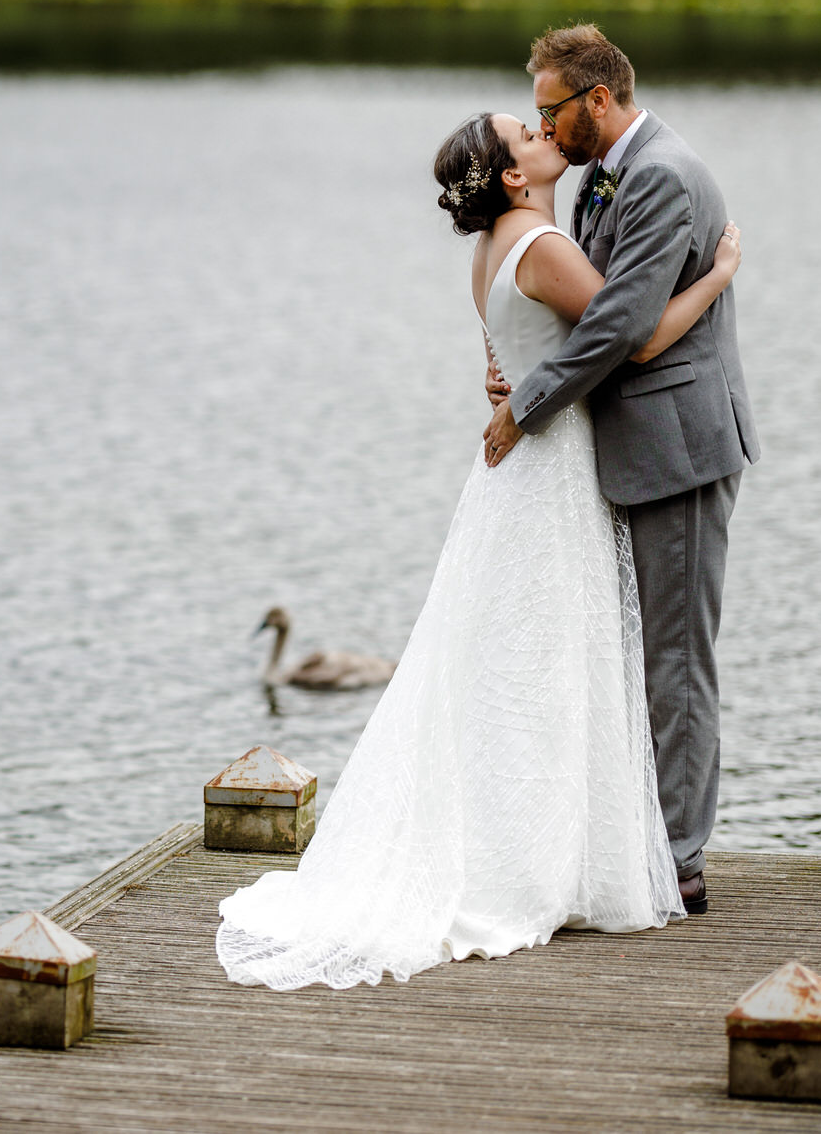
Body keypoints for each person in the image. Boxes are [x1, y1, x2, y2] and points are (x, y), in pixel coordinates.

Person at [215, 101, 743, 990]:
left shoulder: (491, 251)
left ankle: (525, 846)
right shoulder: (544, 247)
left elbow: (515, 352)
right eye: (528, 134)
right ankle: (541, 863)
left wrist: (515, 380)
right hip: (559, 469)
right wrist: (718, 273)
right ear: (511, 174)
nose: (545, 137)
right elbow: (637, 337)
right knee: (549, 666)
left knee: (503, 666)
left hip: (513, 476)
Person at [483, 25, 758, 915]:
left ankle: (679, 857)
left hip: (677, 448)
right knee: (639, 653)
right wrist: (520, 367)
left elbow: (624, 331)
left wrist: (527, 407)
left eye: (551, 111)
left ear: (597, 101)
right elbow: (585, 310)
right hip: (633, 446)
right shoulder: (612, 172)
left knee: (675, 658)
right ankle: (638, 836)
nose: (546, 126)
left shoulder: (662, 174)